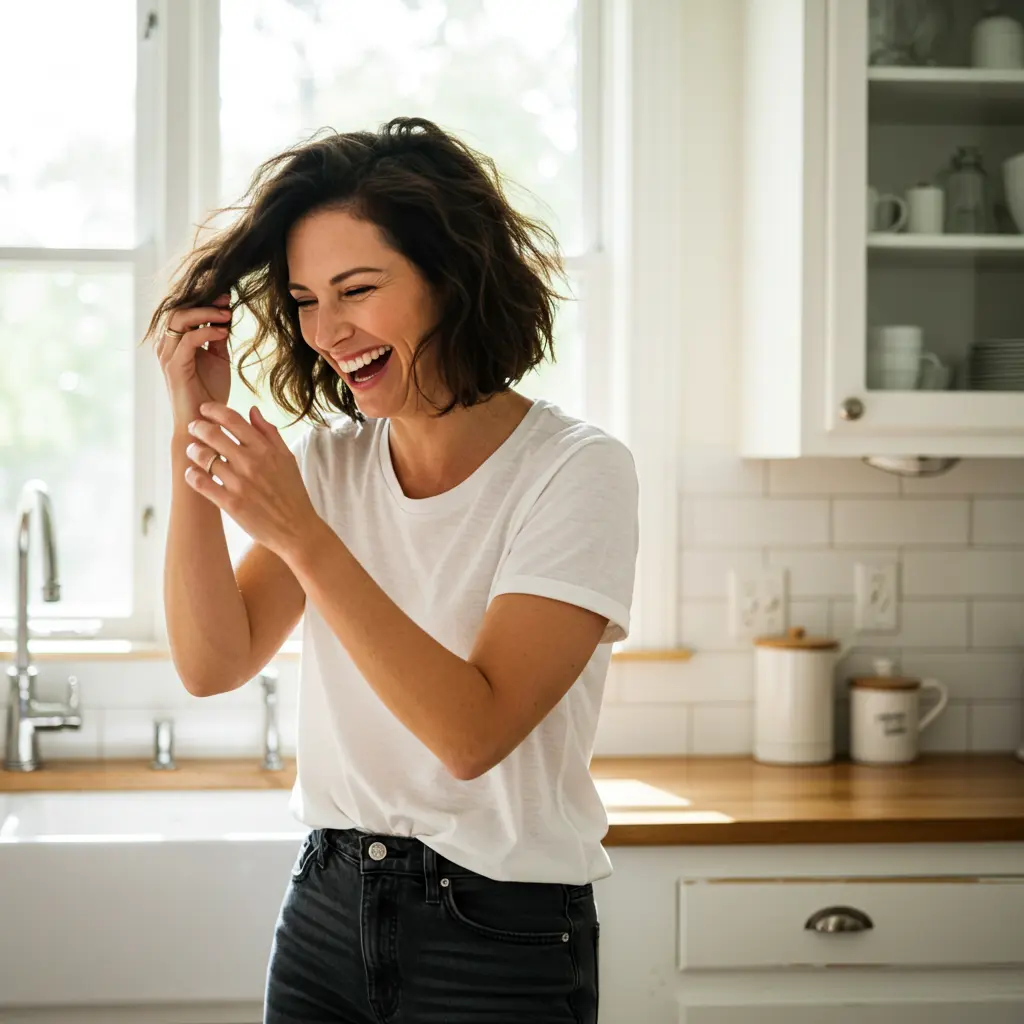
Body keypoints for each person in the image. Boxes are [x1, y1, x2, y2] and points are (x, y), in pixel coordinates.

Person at [145, 116, 638, 1024]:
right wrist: (193, 424)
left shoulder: (576, 470)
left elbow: (471, 734)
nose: (326, 330)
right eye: (301, 299)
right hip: (327, 912)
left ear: (451, 278)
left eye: (356, 289)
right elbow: (213, 664)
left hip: (497, 936)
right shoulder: (335, 466)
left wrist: (301, 533)